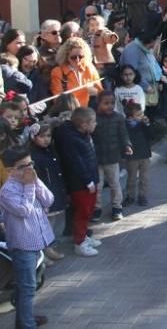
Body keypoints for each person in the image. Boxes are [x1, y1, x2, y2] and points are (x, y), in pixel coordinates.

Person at [0, 146, 55, 328]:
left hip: (37, 242)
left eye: (31, 164)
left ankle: (25, 318)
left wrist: (35, 183)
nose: (29, 169)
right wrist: (29, 186)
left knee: (31, 285)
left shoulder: (32, 180)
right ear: (10, 170)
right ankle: (26, 323)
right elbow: (23, 210)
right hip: (23, 245)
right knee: (27, 287)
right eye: (23, 166)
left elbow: (48, 200)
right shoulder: (8, 190)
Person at [54, 108, 102, 256]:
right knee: (83, 211)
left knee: (88, 210)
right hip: (80, 184)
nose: (96, 124)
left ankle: (84, 236)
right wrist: (88, 181)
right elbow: (76, 163)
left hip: (89, 180)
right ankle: (79, 243)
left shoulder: (83, 134)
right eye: (93, 121)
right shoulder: (72, 139)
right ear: (83, 124)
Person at [27, 123, 67, 262]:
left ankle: (50, 248)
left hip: (55, 191)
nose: (46, 139)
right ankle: (45, 252)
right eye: (42, 136)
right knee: (45, 224)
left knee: (54, 222)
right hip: (44, 194)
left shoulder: (51, 150)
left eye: (48, 136)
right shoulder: (33, 154)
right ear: (33, 137)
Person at [91, 92, 131, 221]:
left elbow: (123, 134)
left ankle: (117, 207)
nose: (109, 106)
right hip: (96, 157)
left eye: (112, 103)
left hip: (113, 157)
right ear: (99, 103)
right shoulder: (93, 118)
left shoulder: (118, 118)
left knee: (115, 183)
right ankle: (96, 208)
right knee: (98, 185)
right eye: (106, 103)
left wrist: (127, 145)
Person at [50, 38, 102, 109]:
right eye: (73, 57)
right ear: (66, 56)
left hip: (89, 111)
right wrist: (84, 90)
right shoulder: (57, 72)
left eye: (81, 57)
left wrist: (95, 92)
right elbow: (57, 99)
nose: (77, 60)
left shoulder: (90, 68)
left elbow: (101, 93)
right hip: (70, 111)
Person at [122, 102, 151, 206]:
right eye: (138, 115)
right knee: (131, 178)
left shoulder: (142, 123)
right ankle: (130, 196)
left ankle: (142, 196)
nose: (141, 116)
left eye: (141, 113)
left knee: (144, 177)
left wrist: (147, 124)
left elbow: (150, 135)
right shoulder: (124, 125)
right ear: (130, 117)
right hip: (132, 155)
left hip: (144, 154)